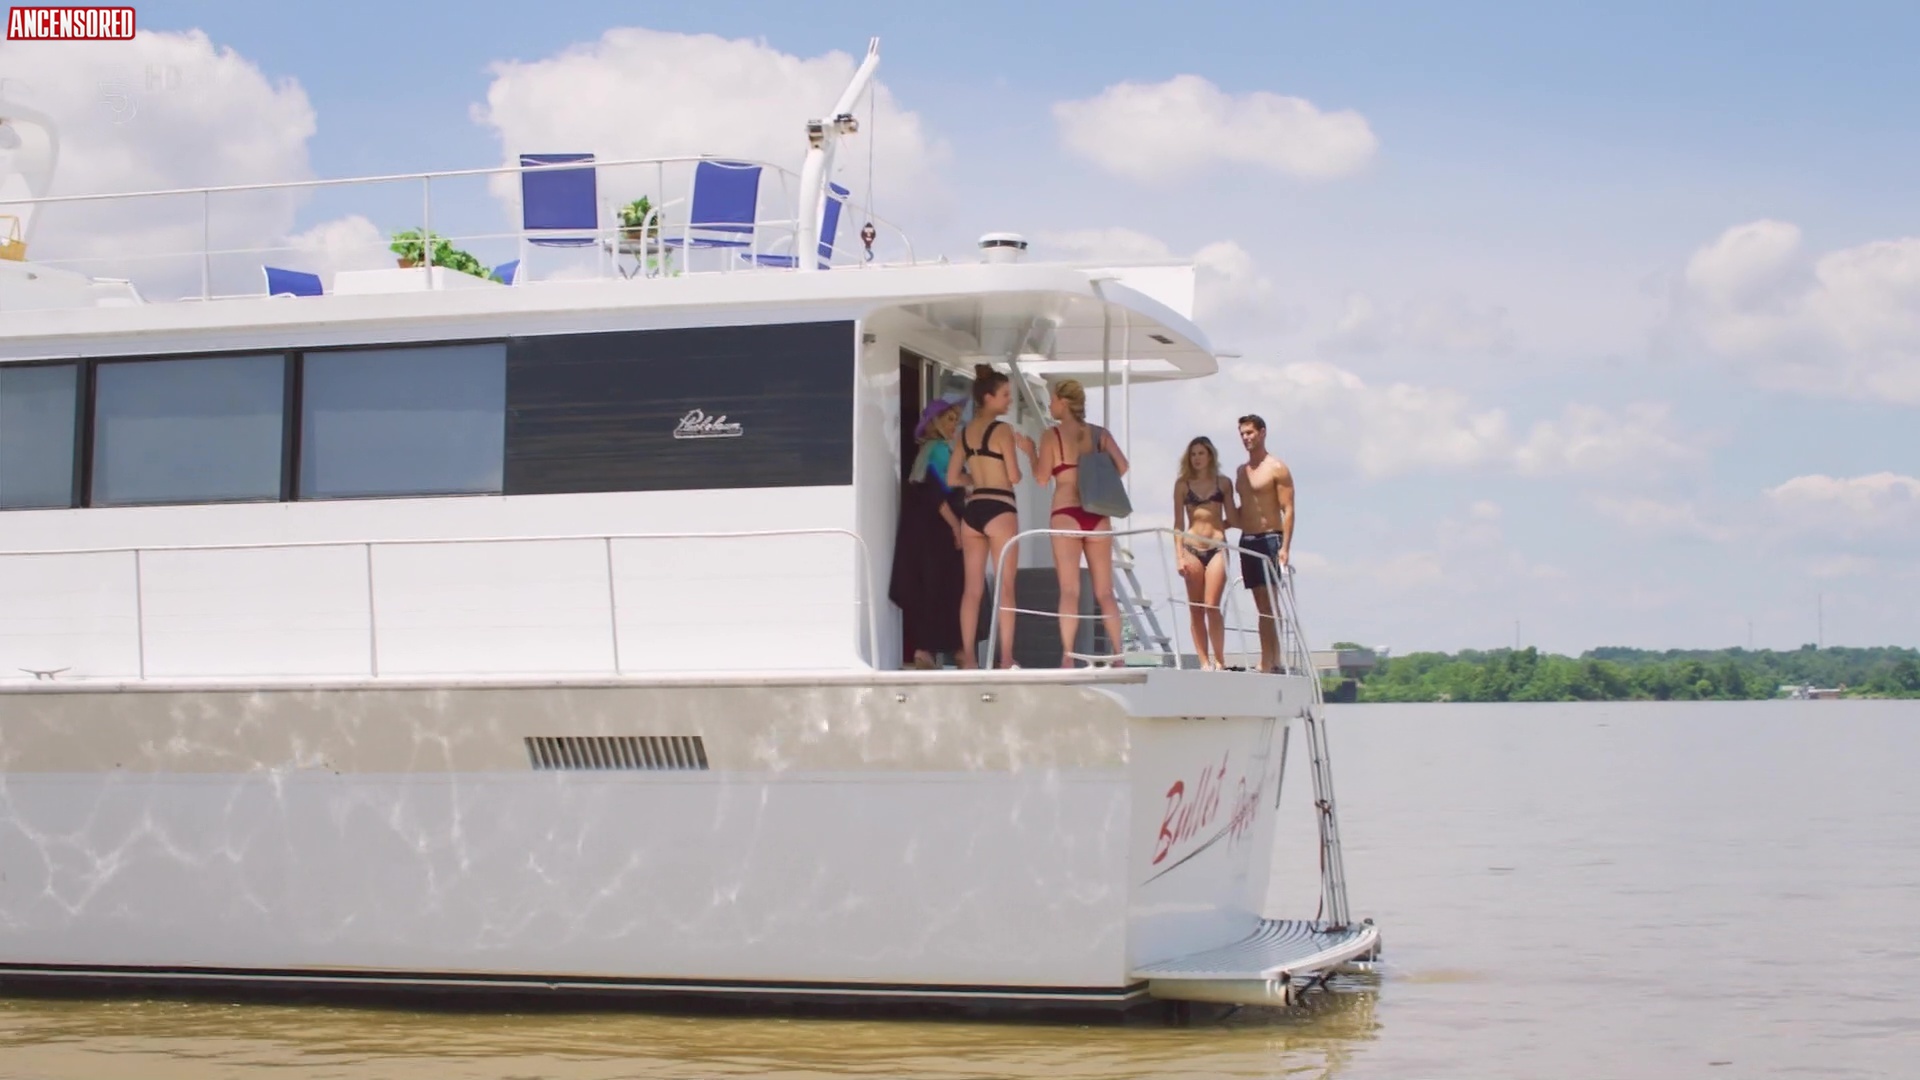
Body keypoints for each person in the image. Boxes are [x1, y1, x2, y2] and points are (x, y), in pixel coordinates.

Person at [1038, 379, 1129, 668]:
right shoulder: (1100, 434)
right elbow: (1123, 465)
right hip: (1097, 512)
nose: (1050, 405)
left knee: (1069, 590)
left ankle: (1068, 656)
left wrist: (1029, 451)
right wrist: (1098, 475)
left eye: (1053, 399)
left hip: (1066, 511)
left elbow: (1041, 478)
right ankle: (1118, 655)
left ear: (1064, 402)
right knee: (1105, 591)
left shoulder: (1051, 436)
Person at [949, 365, 1034, 669]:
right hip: (1000, 508)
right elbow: (1014, 475)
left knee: (971, 590)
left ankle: (969, 658)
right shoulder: (1003, 431)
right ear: (988, 397)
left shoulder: (965, 433)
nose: (1009, 400)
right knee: (1005, 587)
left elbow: (952, 477)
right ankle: (1006, 658)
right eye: (1005, 395)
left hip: (973, 510)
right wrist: (1026, 453)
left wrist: (976, 478)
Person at [888, 395, 965, 668]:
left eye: (956, 420)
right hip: (938, 532)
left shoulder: (929, 450)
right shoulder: (937, 451)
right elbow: (935, 494)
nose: (954, 425)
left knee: (932, 587)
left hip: (929, 532)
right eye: (950, 419)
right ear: (936, 423)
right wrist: (956, 526)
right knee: (944, 587)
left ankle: (931, 650)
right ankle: (951, 651)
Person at [1234, 414, 1295, 674]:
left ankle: (1270, 659)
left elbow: (1288, 509)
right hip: (1247, 539)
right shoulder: (1241, 471)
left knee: (1270, 603)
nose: (1246, 438)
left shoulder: (1277, 467)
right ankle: (1270, 657)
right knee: (1260, 604)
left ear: (1262, 432)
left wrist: (1285, 547)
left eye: (1249, 432)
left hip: (1270, 537)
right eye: (1242, 434)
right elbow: (1243, 509)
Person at [1173, 436, 1236, 671]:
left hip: (1217, 547)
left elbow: (1233, 516)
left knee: (1211, 606)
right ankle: (1204, 662)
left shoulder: (1224, 483)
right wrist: (1179, 556)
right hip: (1191, 548)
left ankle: (1220, 660)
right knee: (1196, 608)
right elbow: (1178, 524)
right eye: (1193, 454)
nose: (1197, 458)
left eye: (1201, 453)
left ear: (1210, 455)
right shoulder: (1182, 485)